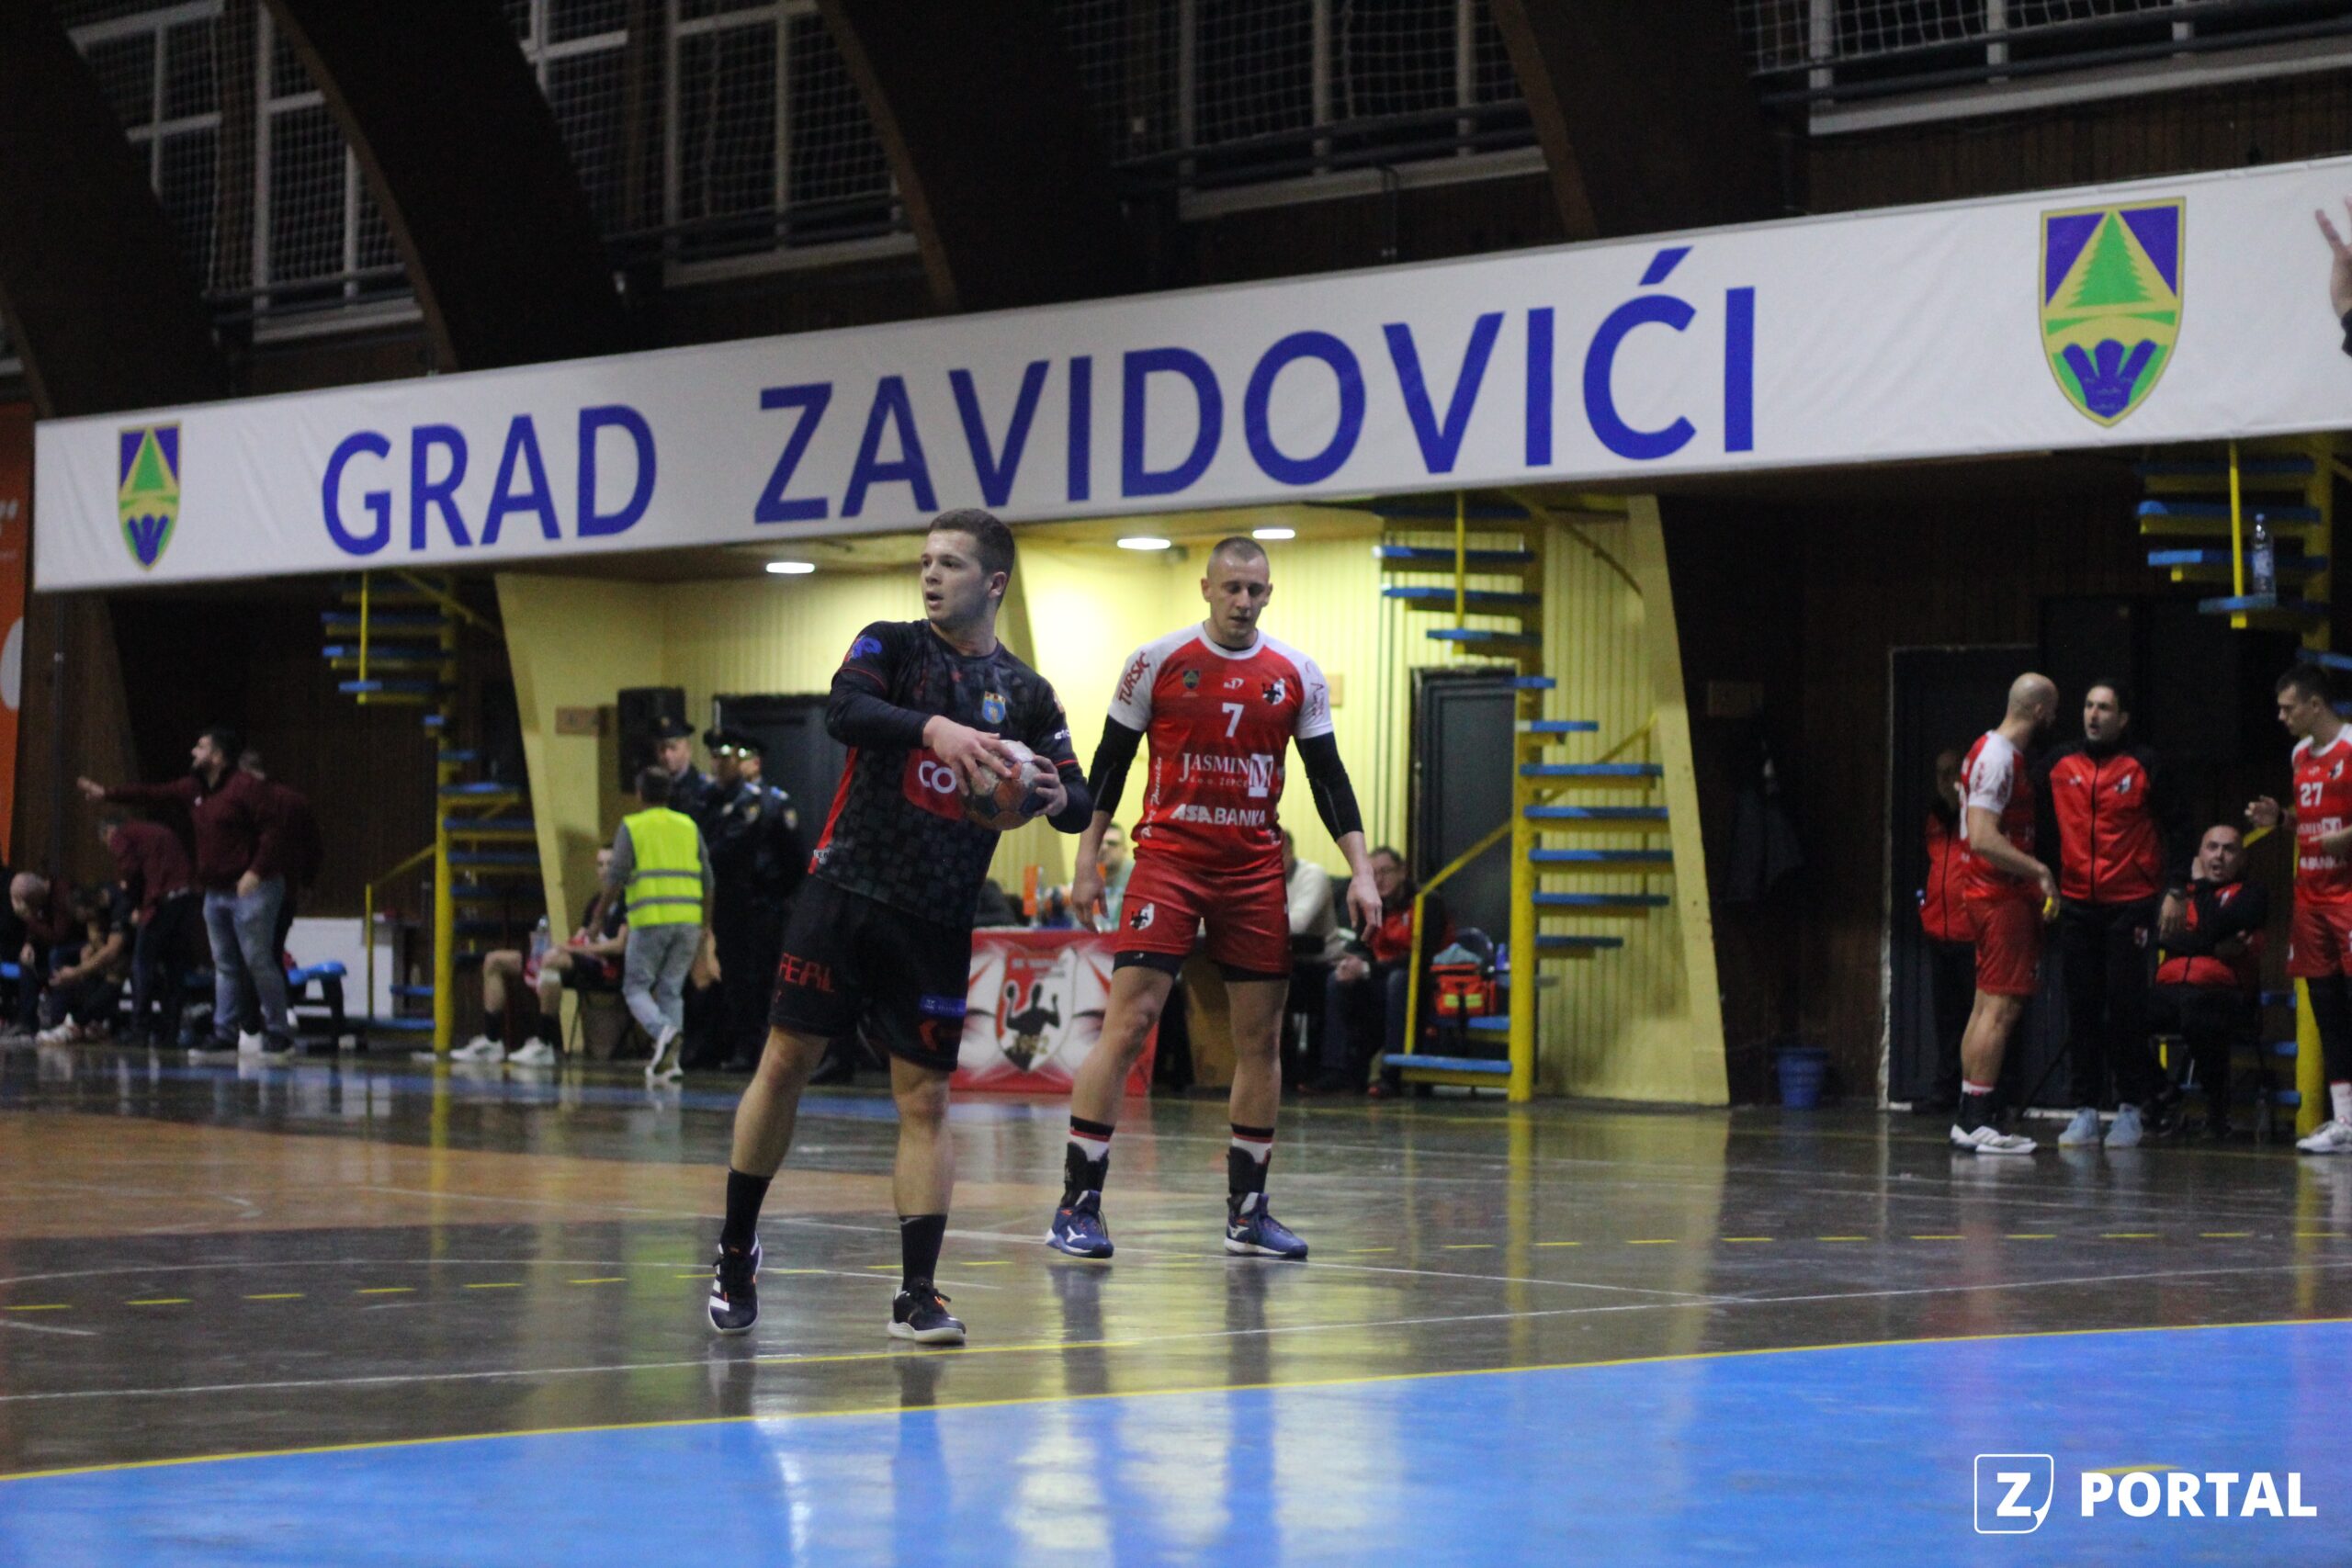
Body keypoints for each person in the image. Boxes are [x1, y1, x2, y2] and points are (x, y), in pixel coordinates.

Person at [707, 509, 1091, 1345]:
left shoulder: (1026, 693)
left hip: (936, 919)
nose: (930, 575)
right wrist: (933, 728)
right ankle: (736, 1247)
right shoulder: (891, 644)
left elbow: (1079, 797)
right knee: (787, 1060)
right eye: (925, 561)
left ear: (994, 582)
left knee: (925, 1099)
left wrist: (1052, 793)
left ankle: (917, 1293)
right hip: (845, 891)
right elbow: (845, 711)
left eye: (950, 563)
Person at [1049, 534, 1381, 1263]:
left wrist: (1360, 870)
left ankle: (1247, 1213)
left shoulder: (1295, 673)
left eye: (1255, 590)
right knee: (1129, 1022)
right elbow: (1110, 764)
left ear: (1269, 594)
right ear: (1206, 588)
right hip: (1168, 861)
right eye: (1231, 587)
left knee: (1259, 1040)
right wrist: (1086, 860)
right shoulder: (1157, 660)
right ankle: (1077, 1204)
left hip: (1252, 871)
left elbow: (1329, 777)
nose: (1243, 601)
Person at [2042, 680, 2193, 1149]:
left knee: (2126, 1008)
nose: (2094, 714)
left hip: (2131, 906)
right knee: (2082, 1007)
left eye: (2105, 707)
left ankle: (2130, 1108)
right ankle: (2085, 1111)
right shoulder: (2059, 763)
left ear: (2122, 718)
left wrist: (2176, 889)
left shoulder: (2144, 764)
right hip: (2076, 905)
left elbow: (2180, 827)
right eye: (2088, 705)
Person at [79, 727, 290, 1056]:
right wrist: (107, 793)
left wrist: (256, 871)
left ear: (217, 756)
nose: (193, 751)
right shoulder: (193, 788)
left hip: (252, 888)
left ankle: (279, 1033)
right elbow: (153, 793)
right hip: (216, 892)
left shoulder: (246, 787)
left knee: (258, 961)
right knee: (225, 964)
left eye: (201, 747)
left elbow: (274, 831)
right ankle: (224, 1032)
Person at [1951, 672, 2060, 1156]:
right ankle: (1976, 1120)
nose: (2055, 718)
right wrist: (2039, 870)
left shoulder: (1991, 750)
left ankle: (1970, 1114)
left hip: (1992, 894)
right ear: (2038, 711)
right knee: (2001, 1008)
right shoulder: (1997, 758)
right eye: (2053, 709)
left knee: (1986, 1006)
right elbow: (1982, 836)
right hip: (1998, 896)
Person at [2248, 662, 2352, 1155]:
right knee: (2327, 1008)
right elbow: (2314, 825)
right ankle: (2345, 1119)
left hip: (2348, 896)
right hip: (2311, 897)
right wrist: (2283, 821)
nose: (2281, 717)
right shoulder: (2298, 756)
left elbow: (2340, 832)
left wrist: (2348, 838)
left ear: (2315, 705)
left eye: (2288, 708)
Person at [2148, 825, 2268, 1142]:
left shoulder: (2252, 894)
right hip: (2170, 990)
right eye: (2212, 847)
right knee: (2116, 1015)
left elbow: (2213, 926)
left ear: (2242, 859)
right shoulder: (2176, 896)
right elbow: (2160, 937)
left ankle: (2217, 1110)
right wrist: (2210, 944)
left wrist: (2200, 891)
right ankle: (2160, 1091)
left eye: (2229, 849)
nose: (2219, 856)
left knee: (2199, 1011)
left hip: (2225, 994)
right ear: (2199, 854)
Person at [456, 849, 628, 1066]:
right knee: (494, 960)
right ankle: (492, 1041)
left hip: (605, 969)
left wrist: (573, 950)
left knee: (550, 962)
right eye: (600, 864)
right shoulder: (596, 902)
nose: (604, 870)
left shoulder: (629, 901)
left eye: (610, 864)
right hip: (582, 959)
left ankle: (544, 1044)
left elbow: (620, 947)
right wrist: (554, 946)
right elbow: (580, 938)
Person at [702, 728, 805, 1072]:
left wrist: (773, 894)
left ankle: (757, 1049)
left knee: (760, 978)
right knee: (735, 978)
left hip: (762, 906)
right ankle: (742, 1044)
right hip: (730, 904)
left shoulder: (772, 802)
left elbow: (794, 860)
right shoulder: (717, 799)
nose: (724, 764)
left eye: (735, 757)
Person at [605, 768, 713, 1085]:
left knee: (635, 988)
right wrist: (706, 923)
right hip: (689, 920)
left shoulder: (633, 826)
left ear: (639, 794)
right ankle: (671, 1064)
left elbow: (616, 875)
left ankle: (663, 1030)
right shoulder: (688, 826)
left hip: (651, 919)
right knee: (671, 989)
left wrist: (599, 918)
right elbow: (708, 880)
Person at [1318, 846, 1453, 1095]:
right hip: (1383, 979)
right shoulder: (1370, 905)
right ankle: (1337, 1071)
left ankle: (1392, 1074)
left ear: (1402, 872)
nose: (1379, 880)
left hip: (1425, 986)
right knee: (1336, 980)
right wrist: (1350, 962)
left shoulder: (1428, 902)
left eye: (1386, 871)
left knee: (1398, 980)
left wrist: (1366, 968)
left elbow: (1420, 959)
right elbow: (1361, 946)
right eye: (1373, 874)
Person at [100, 813, 198, 1049]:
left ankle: (139, 1029)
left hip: (161, 902)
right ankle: (170, 1032)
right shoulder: (156, 831)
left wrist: (134, 900)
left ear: (109, 832)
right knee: (174, 968)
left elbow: (130, 868)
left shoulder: (121, 835)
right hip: (187, 899)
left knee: (142, 964)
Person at [1914, 748, 1975, 1116]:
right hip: (1939, 931)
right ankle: (1946, 1091)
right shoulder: (1934, 819)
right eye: (1939, 773)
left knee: (1976, 1019)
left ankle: (1981, 1093)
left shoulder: (1975, 815)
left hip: (1971, 932)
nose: (1945, 779)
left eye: (1951, 771)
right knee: (1947, 1020)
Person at [34, 886, 129, 1044]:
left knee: (113, 969)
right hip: (111, 953)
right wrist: (89, 958)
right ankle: (91, 1022)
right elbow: (95, 942)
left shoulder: (119, 906)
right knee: (88, 959)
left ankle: (77, 1022)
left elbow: (112, 951)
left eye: (88, 917)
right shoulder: (96, 910)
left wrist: (78, 971)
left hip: (133, 951)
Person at [8, 872, 77, 1038]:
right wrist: (29, 943)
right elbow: (36, 928)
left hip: (73, 945)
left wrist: (30, 919)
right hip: (48, 946)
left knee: (56, 955)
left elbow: (59, 937)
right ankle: (27, 1021)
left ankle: (57, 1020)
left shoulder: (61, 895)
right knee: (25, 960)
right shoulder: (39, 904)